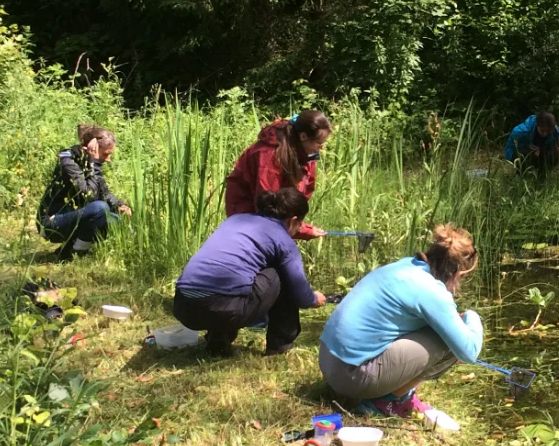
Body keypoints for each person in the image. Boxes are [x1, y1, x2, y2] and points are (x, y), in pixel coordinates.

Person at [318, 225, 483, 417]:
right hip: (350, 377)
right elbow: (468, 352)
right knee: (449, 340)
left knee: (437, 329)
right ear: (458, 273)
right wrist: (472, 316)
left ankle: (400, 393)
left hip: (328, 361)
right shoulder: (431, 290)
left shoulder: (404, 266)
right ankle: (387, 401)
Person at [174, 188, 326, 357]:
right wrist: (314, 298)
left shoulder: (236, 220)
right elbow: (301, 296)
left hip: (183, 306)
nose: (298, 230)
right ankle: (279, 347)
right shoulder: (282, 239)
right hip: (222, 309)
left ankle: (218, 344)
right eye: (299, 225)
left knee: (232, 281)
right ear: (293, 220)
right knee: (280, 273)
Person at [225, 110, 332, 240]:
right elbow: (268, 204)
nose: (321, 148)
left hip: (272, 210)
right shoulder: (269, 155)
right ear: (303, 136)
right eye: (319, 143)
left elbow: (304, 189)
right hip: (247, 211)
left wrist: (297, 223)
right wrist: (301, 230)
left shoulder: (308, 152)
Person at [38, 124, 131, 259]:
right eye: (106, 154)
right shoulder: (69, 162)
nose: (108, 159)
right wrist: (94, 163)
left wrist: (121, 206)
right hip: (52, 221)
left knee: (117, 220)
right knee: (100, 208)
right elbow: (90, 195)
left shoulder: (89, 162)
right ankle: (77, 252)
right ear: (90, 149)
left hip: (77, 215)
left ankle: (70, 249)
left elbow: (104, 193)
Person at [504, 111, 559, 177]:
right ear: (537, 125)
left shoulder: (555, 133)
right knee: (525, 155)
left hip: (540, 151)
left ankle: (542, 175)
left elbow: (552, 146)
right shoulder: (520, 131)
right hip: (521, 151)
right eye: (542, 130)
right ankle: (522, 175)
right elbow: (511, 147)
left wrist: (541, 148)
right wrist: (527, 145)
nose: (545, 134)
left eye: (548, 131)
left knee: (553, 153)